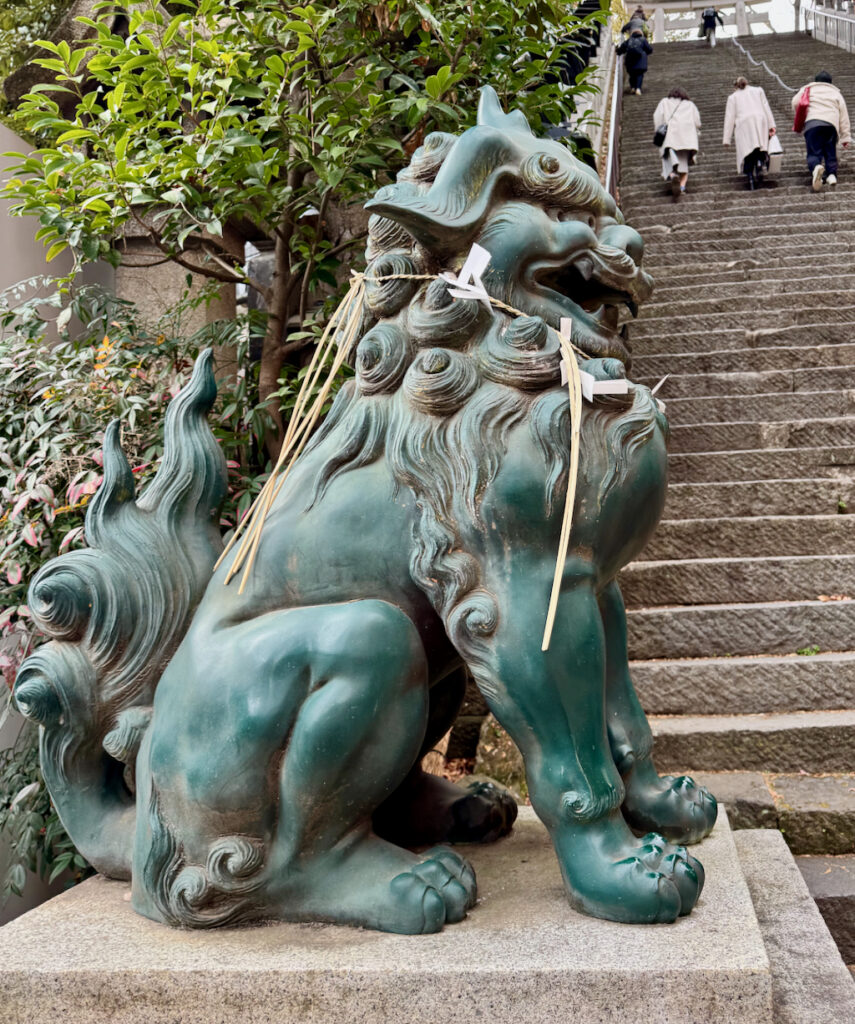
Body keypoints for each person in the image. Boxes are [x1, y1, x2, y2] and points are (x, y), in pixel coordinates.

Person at [791, 71, 851, 191]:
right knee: (830, 151)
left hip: (812, 124)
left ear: (816, 80)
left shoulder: (807, 89)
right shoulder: (835, 92)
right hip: (830, 124)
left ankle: (816, 167)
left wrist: (801, 117)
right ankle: (831, 175)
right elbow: (844, 115)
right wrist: (845, 136)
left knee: (814, 152)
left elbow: (795, 102)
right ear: (830, 82)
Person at [723, 77, 777, 190]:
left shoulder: (733, 97)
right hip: (760, 120)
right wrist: (771, 125)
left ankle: (750, 177)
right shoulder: (758, 90)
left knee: (748, 150)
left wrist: (727, 139)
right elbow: (766, 107)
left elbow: (729, 118)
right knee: (760, 145)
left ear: (735, 86)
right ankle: (760, 163)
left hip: (744, 124)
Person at [654, 87, 702, 199]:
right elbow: (698, 122)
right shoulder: (690, 104)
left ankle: (672, 174)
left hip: (670, 138)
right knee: (683, 165)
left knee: (668, 158)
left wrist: (658, 129)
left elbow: (657, 117)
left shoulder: (664, 102)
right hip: (686, 139)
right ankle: (682, 187)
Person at [617, 30, 653, 96]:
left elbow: (621, 49)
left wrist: (617, 51)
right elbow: (649, 49)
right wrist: (644, 53)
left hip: (630, 60)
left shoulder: (629, 40)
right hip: (640, 60)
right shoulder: (643, 39)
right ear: (641, 34)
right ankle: (638, 89)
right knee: (639, 74)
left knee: (632, 75)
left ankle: (633, 87)